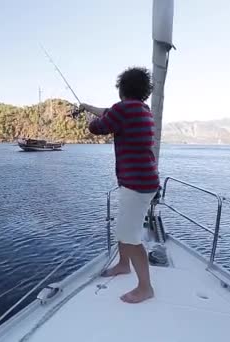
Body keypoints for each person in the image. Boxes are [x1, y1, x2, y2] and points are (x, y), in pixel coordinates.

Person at [80, 66, 160, 304]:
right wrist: (88, 106)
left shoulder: (124, 110)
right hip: (141, 182)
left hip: (136, 185)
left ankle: (145, 287)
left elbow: (97, 127)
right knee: (123, 229)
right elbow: (108, 112)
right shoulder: (140, 109)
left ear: (121, 89)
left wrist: (87, 118)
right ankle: (123, 265)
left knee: (130, 236)